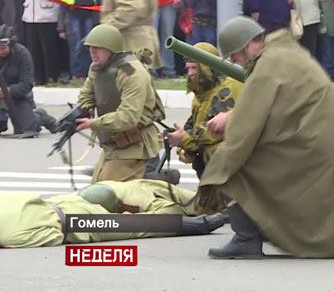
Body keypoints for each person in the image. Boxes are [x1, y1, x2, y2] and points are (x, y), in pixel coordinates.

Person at [200, 16, 334, 259]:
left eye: (235, 55)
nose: (234, 61)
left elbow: (244, 129)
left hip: (306, 144)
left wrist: (217, 168)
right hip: (320, 139)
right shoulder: (285, 53)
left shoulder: (266, 67)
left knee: (235, 164)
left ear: (250, 44)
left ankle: (246, 239)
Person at [0, 180, 226, 248]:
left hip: (70, 215)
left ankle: (210, 220)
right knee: (136, 222)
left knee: (137, 224)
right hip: (68, 211)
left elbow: (51, 236)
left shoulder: (11, 236)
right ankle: (209, 219)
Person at [75, 24, 163, 183]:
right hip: (113, 145)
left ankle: (156, 178)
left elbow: (128, 117)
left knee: (111, 196)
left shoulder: (133, 74)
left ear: (111, 48)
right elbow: (87, 94)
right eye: (90, 47)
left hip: (135, 146)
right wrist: (82, 110)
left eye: (98, 47)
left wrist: (93, 123)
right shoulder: (97, 67)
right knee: (97, 190)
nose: (92, 51)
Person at [166, 42, 242, 179]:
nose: (190, 73)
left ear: (207, 68)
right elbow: (193, 125)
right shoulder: (203, 91)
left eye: (195, 68)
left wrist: (185, 140)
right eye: (188, 68)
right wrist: (183, 148)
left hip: (229, 168)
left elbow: (215, 130)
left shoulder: (228, 88)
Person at [0, 25, 57, 135]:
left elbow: (27, 83)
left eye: (3, 48)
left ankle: (41, 116)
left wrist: (8, 91)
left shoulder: (23, 54)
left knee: (27, 128)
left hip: (17, 96)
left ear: (11, 45)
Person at [20, 0, 62, 85]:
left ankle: (51, 77)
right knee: (34, 50)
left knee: (48, 50)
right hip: (30, 18)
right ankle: (37, 78)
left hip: (47, 17)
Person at [55, 0, 99, 79]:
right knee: (76, 43)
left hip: (88, 13)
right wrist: (72, 2)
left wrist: (93, 2)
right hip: (74, 14)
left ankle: (89, 71)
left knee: (89, 42)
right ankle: (77, 72)